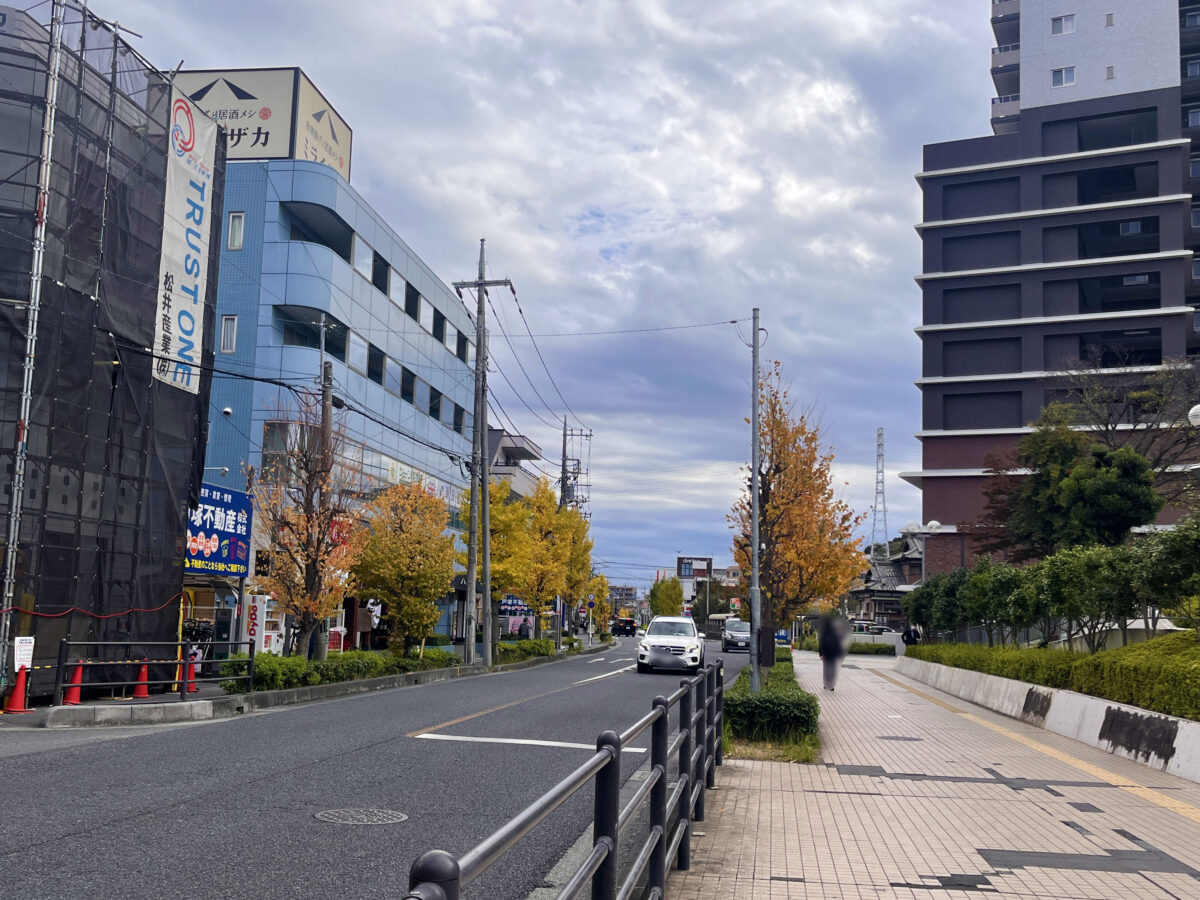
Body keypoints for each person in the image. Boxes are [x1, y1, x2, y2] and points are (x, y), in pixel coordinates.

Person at [818, 614, 846, 691]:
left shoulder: (829, 633)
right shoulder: (829, 632)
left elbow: (822, 644)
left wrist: (821, 654)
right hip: (830, 654)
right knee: (831, 669)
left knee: (828, 669)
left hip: (828, 653)